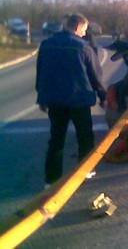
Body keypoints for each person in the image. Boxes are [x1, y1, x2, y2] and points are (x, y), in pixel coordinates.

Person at [36, 13, 106, 188]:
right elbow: (95, 76)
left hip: (55, 101)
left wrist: (42, 98)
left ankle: (51, 179)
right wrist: (103, 96)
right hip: (79, 100)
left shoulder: (46, 45)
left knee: (56, 139)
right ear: (77, 27)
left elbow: (41, 73)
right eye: (84, 29)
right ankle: (85, 171)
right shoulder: (84, 47)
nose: (84, 33)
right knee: (85, 137)